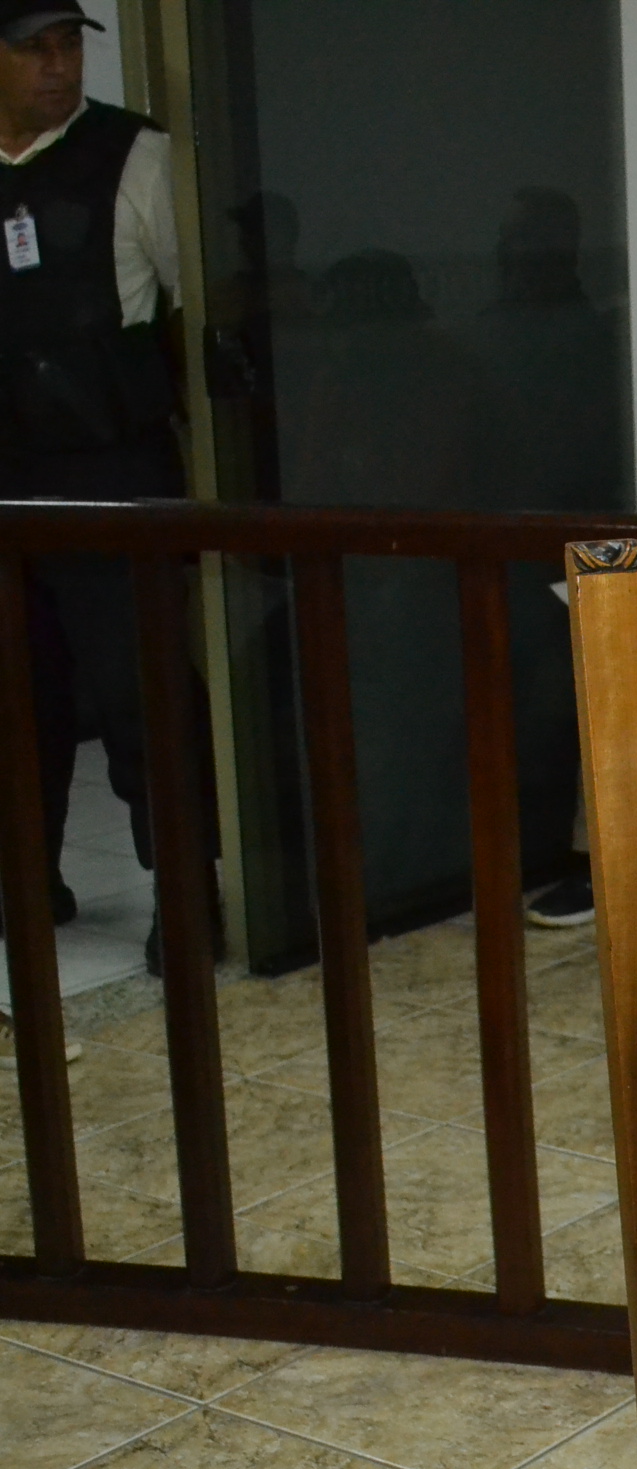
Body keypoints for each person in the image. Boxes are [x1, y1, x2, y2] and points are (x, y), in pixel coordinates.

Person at [0, 0, 210, 994]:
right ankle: (26, 881)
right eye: (31, 49)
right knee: (18, 695)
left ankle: (187, 890)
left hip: (110, 473)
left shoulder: (135, 158)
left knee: (142, 694)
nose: (57, 66)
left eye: (67, 47)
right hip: (8, 482)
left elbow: (198, 308)